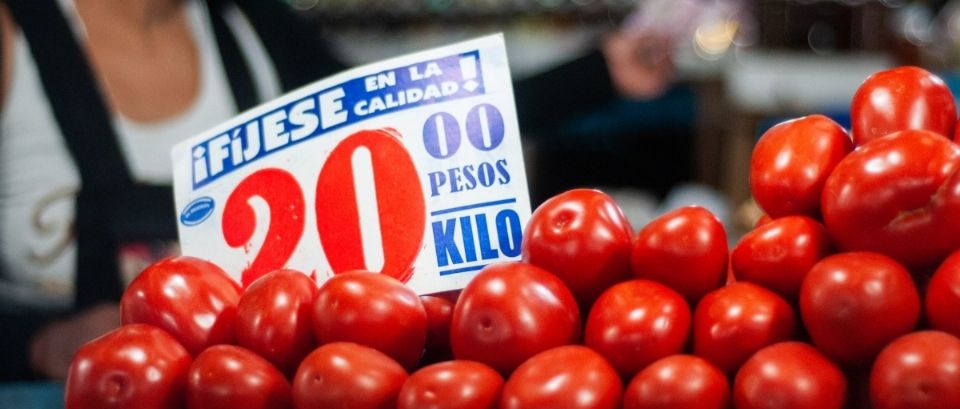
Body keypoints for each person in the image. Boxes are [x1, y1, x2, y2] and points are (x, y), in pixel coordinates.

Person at [0, 0, 674, 380]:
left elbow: (403, 121)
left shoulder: (251, 25)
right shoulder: (16, 38)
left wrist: (600, 74)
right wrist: (35, 341)